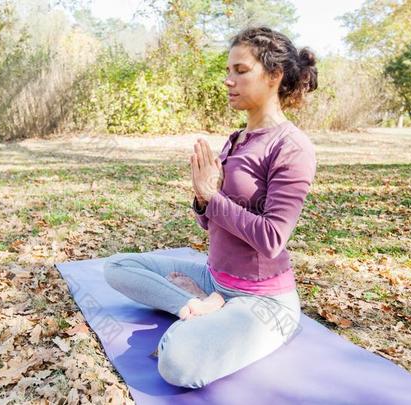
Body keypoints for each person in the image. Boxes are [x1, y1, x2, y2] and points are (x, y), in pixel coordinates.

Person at [103, 25, 318, 389]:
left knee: (177, 364)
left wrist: (213, 198)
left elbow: (272, 238)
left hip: (263, 301)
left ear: (274, 76)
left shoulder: (292, 146)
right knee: (117, 267)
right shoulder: (235, 139)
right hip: (213, 277)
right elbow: (212, 225)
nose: (228, 80)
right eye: (228, 70)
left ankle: (203, 310)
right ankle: (197, 304)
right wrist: (203, 200)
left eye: (241, 70)